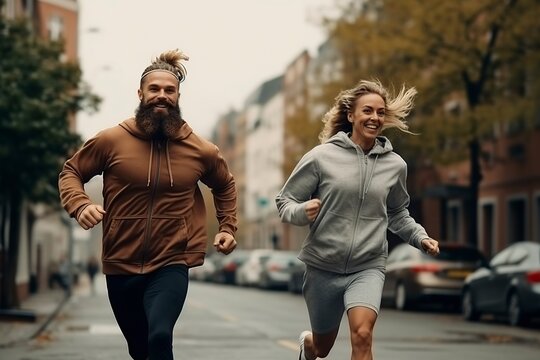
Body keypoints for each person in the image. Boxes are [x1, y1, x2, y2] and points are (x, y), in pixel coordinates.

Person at [58, 49, 237, 360]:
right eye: (154, 89)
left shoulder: (200, 150)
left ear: (178, 95)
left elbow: (224, 184)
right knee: (140, 349)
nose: (162, 96)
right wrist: (80, 204)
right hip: (120, 261)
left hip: (171, 260)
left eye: (169, 90)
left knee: (159, 336)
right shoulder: (112, 140)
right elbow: (71, 171)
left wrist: (227, 226)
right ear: (140, 93)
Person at [275, 79, 440, 360]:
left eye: (379, 112)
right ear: (351, 115)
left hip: (368, 264)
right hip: (323, 266)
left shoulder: (395, 165)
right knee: (323, 347)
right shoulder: (321, 157)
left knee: (363, 336)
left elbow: (398, 212)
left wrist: (420, 237)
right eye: (367, 111)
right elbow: (284, 202)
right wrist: (302, 212)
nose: (374, 117)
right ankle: (310, 344)